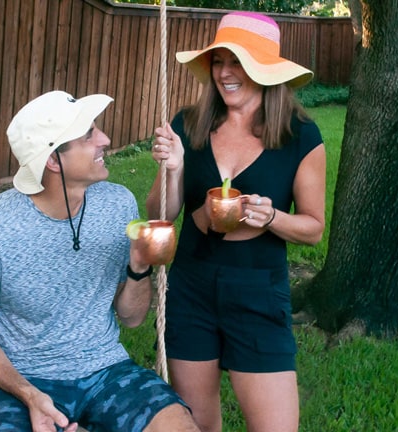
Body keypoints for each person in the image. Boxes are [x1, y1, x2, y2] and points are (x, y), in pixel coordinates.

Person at [0, 90, 200, 432]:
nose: (105, 140)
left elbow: (132, 318)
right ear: (54, 160)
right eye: (88, 135)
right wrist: (28, 395)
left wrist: (139, 267)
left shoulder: (117, 205)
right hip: (21, 380)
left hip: (105, 370)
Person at [146, 11, 326, 432]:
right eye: (219, 61)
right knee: (198, 426)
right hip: (192, 286)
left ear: (264, 69)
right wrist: (173, 168)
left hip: (258, 291)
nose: (226, 73)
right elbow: (161, 213)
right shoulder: (188, 125)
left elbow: (314, 228)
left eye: (238, 62)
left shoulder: (300, 135)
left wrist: (272, 217)